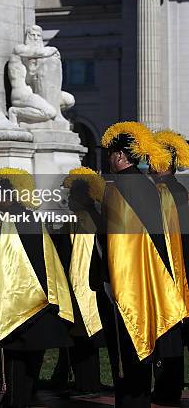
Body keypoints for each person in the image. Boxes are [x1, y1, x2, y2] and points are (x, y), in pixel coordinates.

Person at [96, 121, 188, 407]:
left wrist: (108, 279)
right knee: (147, 349)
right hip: (154, 278)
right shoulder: (150, 188)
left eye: (110, 153)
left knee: (129, 348)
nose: (108, 159)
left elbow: (113, 242)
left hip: (129, 282)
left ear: (121, 156)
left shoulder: (119, 189)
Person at [0, 167, 73, 408]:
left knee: (17, 362)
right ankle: (18, 398)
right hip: (42, 303)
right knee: (30, 363)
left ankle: (15, 401)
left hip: (23, 304)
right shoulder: (31, 218)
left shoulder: (11, 223)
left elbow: (7, 265)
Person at [54, 167, 105, 396]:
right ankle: (88, 382)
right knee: (87, 339)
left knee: (82, 338)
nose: (69, 201)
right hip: (95, 285)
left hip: (81, 285)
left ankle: (87, 384)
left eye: (72, 196)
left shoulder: (80, 220)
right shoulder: (97, 218)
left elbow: (71, 256)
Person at [150, 130, 189, 406]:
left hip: (171, 270)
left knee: (168, 333)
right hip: (182, 267)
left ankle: (167, 390)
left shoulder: (163, 192)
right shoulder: (179, 189)